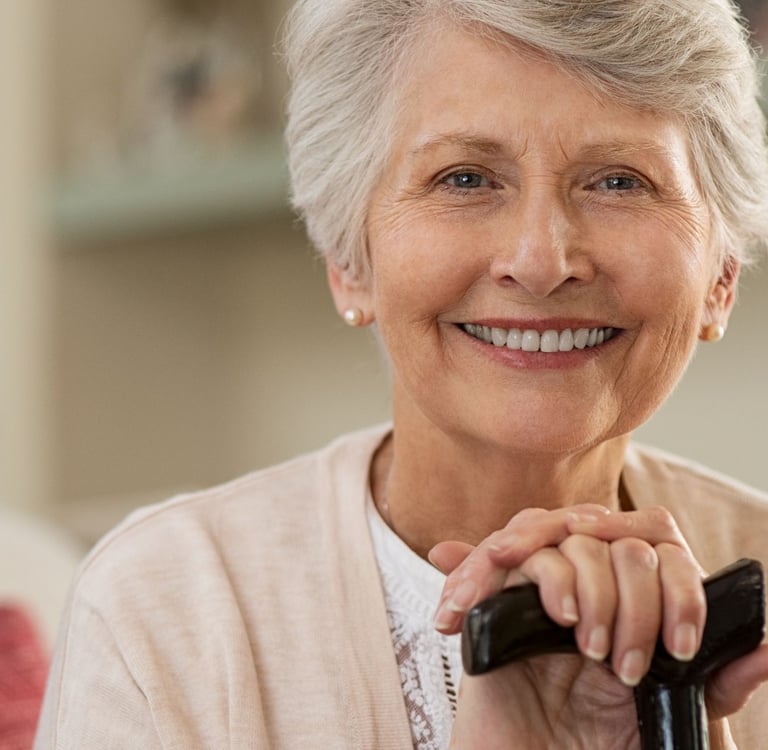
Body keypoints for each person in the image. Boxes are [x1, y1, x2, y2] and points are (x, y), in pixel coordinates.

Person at [35, 0, 768, 747]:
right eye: (465, 179)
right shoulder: (161, 612)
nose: (542, 262)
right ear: (350, 263)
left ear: (722, 276)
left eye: (619, 182)